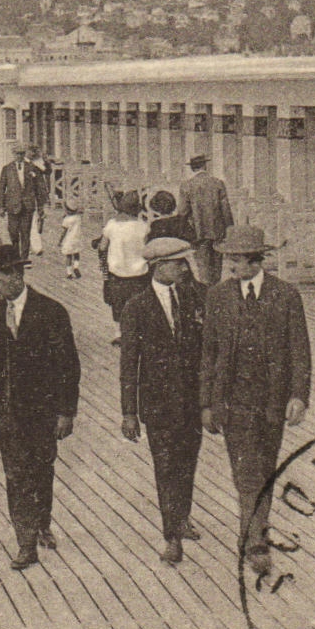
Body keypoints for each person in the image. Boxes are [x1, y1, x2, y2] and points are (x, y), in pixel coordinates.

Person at [199, 226, 311, 578]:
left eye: (236, 259)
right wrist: (206, 403)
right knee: (246, 475)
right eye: (228, 259)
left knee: (265, 469)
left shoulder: (286, 295)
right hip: (233, 402)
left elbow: (299, 351)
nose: (231, 266)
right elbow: (209, 353)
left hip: (272, 401)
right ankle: (254, 543)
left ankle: (253, 528)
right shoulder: (218, 297)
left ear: (256, 260)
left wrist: (299, 396)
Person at [0, 244, 79, 571]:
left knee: (42, 469)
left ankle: (42, 523)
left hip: (43, 409)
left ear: (14, 276)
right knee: (15, 475)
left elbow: (69, 365)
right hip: (8, 408)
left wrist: (66, 412)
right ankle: (25, 543)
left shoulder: (51, 311)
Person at [120, 238, 206, 565]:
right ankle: (171, 535)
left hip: (191, 401)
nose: (184, 268)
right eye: (177, 263)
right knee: (166, 467)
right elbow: (129, 363)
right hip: (157, 404)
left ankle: (182, 518)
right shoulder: (136, 307)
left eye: (185, 263)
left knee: (188, 462)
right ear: (159, 266)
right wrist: (129, 412)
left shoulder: (193, 298)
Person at [96, 190, 151, 337]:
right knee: (138, 302)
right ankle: (138, 330)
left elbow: (102, 247)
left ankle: (118, 332)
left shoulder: (112, 225)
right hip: (139, 272)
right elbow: (147, 247)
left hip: (117, 272)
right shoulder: (143, 226)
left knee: (118, 303)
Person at [175, 153, 235, 285]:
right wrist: (230, 231)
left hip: (198, 232)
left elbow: (182, 211)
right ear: (205, 166)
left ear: (192, 168)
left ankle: (207, 295)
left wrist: (181, 231)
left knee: (203, 269)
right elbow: (226, 210)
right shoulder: (218, 183)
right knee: (216, 268)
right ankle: (215, 292)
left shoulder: (187, 185)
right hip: (217, 231)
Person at [0, 143, 47, 251]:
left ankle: (24, 258)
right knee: (13, 232)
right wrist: (0, 207)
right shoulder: (7, 169)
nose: (19, 156)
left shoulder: (32, 168)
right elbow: (2, 188)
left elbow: (39, 189)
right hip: (12, 205)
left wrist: (40, 207)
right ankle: (15, 254)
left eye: (21, 154)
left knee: (25, 232)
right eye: (17, 154)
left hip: (27, 206)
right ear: (13, 154)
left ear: (24, 154)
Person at [59, 198, 85, 278]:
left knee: (68, 256)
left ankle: (69, 273)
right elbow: (81, 212)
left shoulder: (66, 220)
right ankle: (76, 266)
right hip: (77, 239)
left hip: (69, 240)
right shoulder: (78, 218)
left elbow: (64, 232)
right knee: (77, 253)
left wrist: (60, 241)